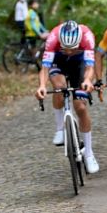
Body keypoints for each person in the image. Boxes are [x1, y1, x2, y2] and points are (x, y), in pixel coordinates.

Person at [35, 20, 99, 173]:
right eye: (66, 48)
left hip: (80, 64)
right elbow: (45, 68)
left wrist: (87, 80)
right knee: (59, 86)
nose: (69, 51)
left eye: (73, 48)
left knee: (81, 107)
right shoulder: (53, 38)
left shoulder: (87, 36)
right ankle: (60, 129)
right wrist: (42, 86)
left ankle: (89, 154)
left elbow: (90, 67)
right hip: (59, 61)